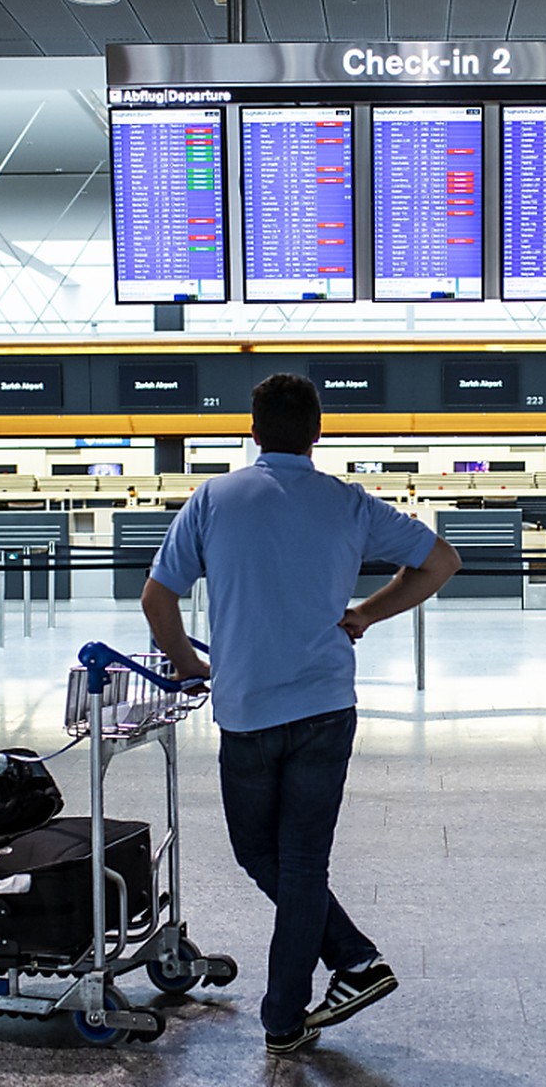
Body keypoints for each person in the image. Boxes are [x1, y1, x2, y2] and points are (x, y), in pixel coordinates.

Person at [141, 373, 460, 1056]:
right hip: (324, 707)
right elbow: (440, 561)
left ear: (251, 431)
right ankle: (347, 964)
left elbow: (157, 601)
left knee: (262, 853)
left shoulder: (215, 499)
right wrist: (365, 614)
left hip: (248, 709)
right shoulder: (348, 503)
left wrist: (193, 666)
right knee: (301, 862)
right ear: (318, 433)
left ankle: (292, 1010)